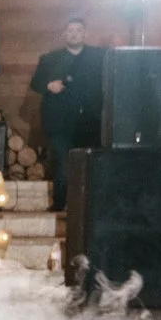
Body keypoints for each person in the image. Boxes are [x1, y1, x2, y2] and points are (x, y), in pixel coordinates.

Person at [31, 16, 105, 208]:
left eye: (78, 30)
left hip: (90, 122)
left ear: (84, 33)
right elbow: (35, 83)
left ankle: (90, 206)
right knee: (63, 165)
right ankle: (59, 206)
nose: (74, 34)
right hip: (60, 124)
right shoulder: (50, 59)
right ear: (65, 34)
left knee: (90, 166)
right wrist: (49, 85)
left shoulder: (99, 57)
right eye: (70, 30)